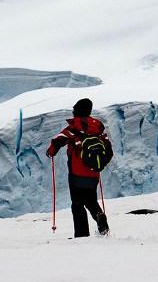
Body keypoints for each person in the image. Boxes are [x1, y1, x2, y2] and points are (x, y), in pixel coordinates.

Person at [46, 98, 111, 237]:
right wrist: (100, 165)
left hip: (76, 173)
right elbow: (108, 150)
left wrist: (51, 152)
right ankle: (100, 216)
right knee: (91, 200)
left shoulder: (73, 127)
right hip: (93, 174)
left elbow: (58, 140)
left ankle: (82, 235)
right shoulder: (98, 128)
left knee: (77, 203)